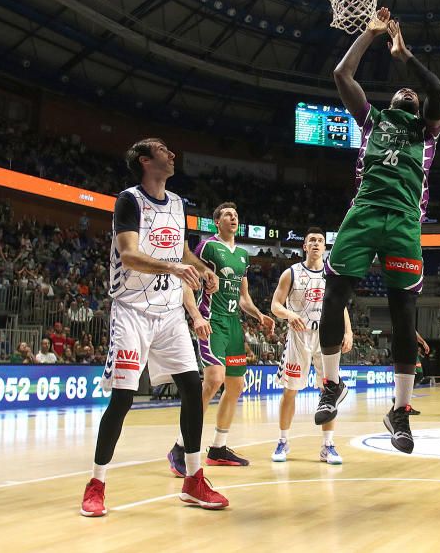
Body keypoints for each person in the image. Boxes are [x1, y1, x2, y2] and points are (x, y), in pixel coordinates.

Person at [316, 8, 440, 454]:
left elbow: (437, 89)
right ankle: (331, 384)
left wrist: (403, 55)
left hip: (405, 220)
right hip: (365, 211)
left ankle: (401, 412)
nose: (407, 91)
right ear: (389, 103)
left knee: (404, 313)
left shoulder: (426, 131)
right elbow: (341, 73)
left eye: (411, 90)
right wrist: (369, 35)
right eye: (400, 90)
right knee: (334, 295)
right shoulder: (373, 122)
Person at [80, 137, 227, 518]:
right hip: (132, 311)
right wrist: (175, 269)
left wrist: (200, 268)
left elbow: (179, 252)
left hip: (168, 312)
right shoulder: (129, 200)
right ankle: (96, 484)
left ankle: (194, 479)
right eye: (164, 150)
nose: (173, 154)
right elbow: (129, 253)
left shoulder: (178, 204)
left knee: (193, 387)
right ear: (146, 161)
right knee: (124, 398)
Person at [168, 202, 276, 475]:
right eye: (227, 214)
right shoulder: (207, 247)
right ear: (217, 221)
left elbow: (243, 298)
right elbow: (186, 279)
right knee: (214, 380)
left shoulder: (242, 254)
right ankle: (180, 447)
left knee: (236, 386)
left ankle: (218, 447)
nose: (233, 218)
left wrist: (259, 315)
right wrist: (196, 317)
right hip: (212, 321)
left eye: (236, 215)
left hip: (233, 325)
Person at [271, 227, 351, 464]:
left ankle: (328, 445)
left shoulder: (332, 276)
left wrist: (348, 331)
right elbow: (275, 305)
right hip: (299, 339)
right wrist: (288, 314)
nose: (316, 243)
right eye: (311, 241)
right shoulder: (291, 273)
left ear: (325, 247)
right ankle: (283, 441)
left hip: (326, 339)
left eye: (320, 241)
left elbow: (341, 307)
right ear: (304, 246)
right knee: (290, 391)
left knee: (328, 392)